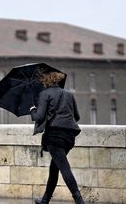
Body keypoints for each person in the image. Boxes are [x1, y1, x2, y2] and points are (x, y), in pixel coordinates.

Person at [30, 71, 85, 204]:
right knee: (54, 168)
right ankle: (45, 200)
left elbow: (39, 117)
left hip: (54, 137)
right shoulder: (69, 94)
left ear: (47, 81)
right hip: (69, 137)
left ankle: (79, 199)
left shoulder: (44, 94)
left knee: (64, 168)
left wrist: (32, 109)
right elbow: (76, 117)